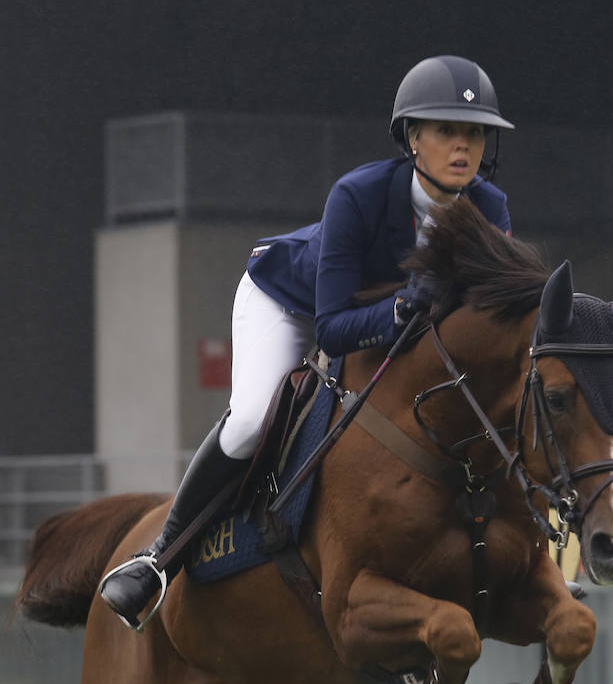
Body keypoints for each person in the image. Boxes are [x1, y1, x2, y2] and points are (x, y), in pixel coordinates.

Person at [98, 55, 516, 630]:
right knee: (248, 420)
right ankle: (159, 559)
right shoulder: (359, 195)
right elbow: (332, 329)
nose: (463, 146)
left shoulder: (490, 210)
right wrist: (397, 311)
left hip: (389, 323)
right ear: (413, 139)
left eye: (474, 133)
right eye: (447, 131)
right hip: (290, 302)